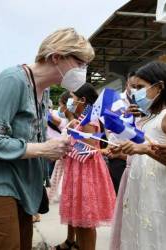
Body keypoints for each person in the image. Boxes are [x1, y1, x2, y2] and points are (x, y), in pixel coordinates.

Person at [0, 28, 92, 250]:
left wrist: (57, 148)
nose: (83, 70)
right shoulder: (13, 80)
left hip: (22, 189)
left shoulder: (43, 90)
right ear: (56, 56)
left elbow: (33, 140)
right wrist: (42, 149)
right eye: (80, 63)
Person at [110, 61, 166, 250]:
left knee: (163, 239)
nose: (135, 92)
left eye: (140, 87)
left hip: (164, 189)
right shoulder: (145, 117)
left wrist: (143, 150)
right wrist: (123, 152)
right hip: (142, 188)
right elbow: (140, 155)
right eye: (133, 87)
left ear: (159, 87)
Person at [58, 83, 116, 250]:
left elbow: (90, 148)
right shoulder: (83, 118)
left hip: (86, 171)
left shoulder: (90, 119)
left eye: (72, 98)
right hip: (78, 169)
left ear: (82, 100)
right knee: (80, 220)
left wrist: (66, 144)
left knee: (86, 221)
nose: (70, 101)